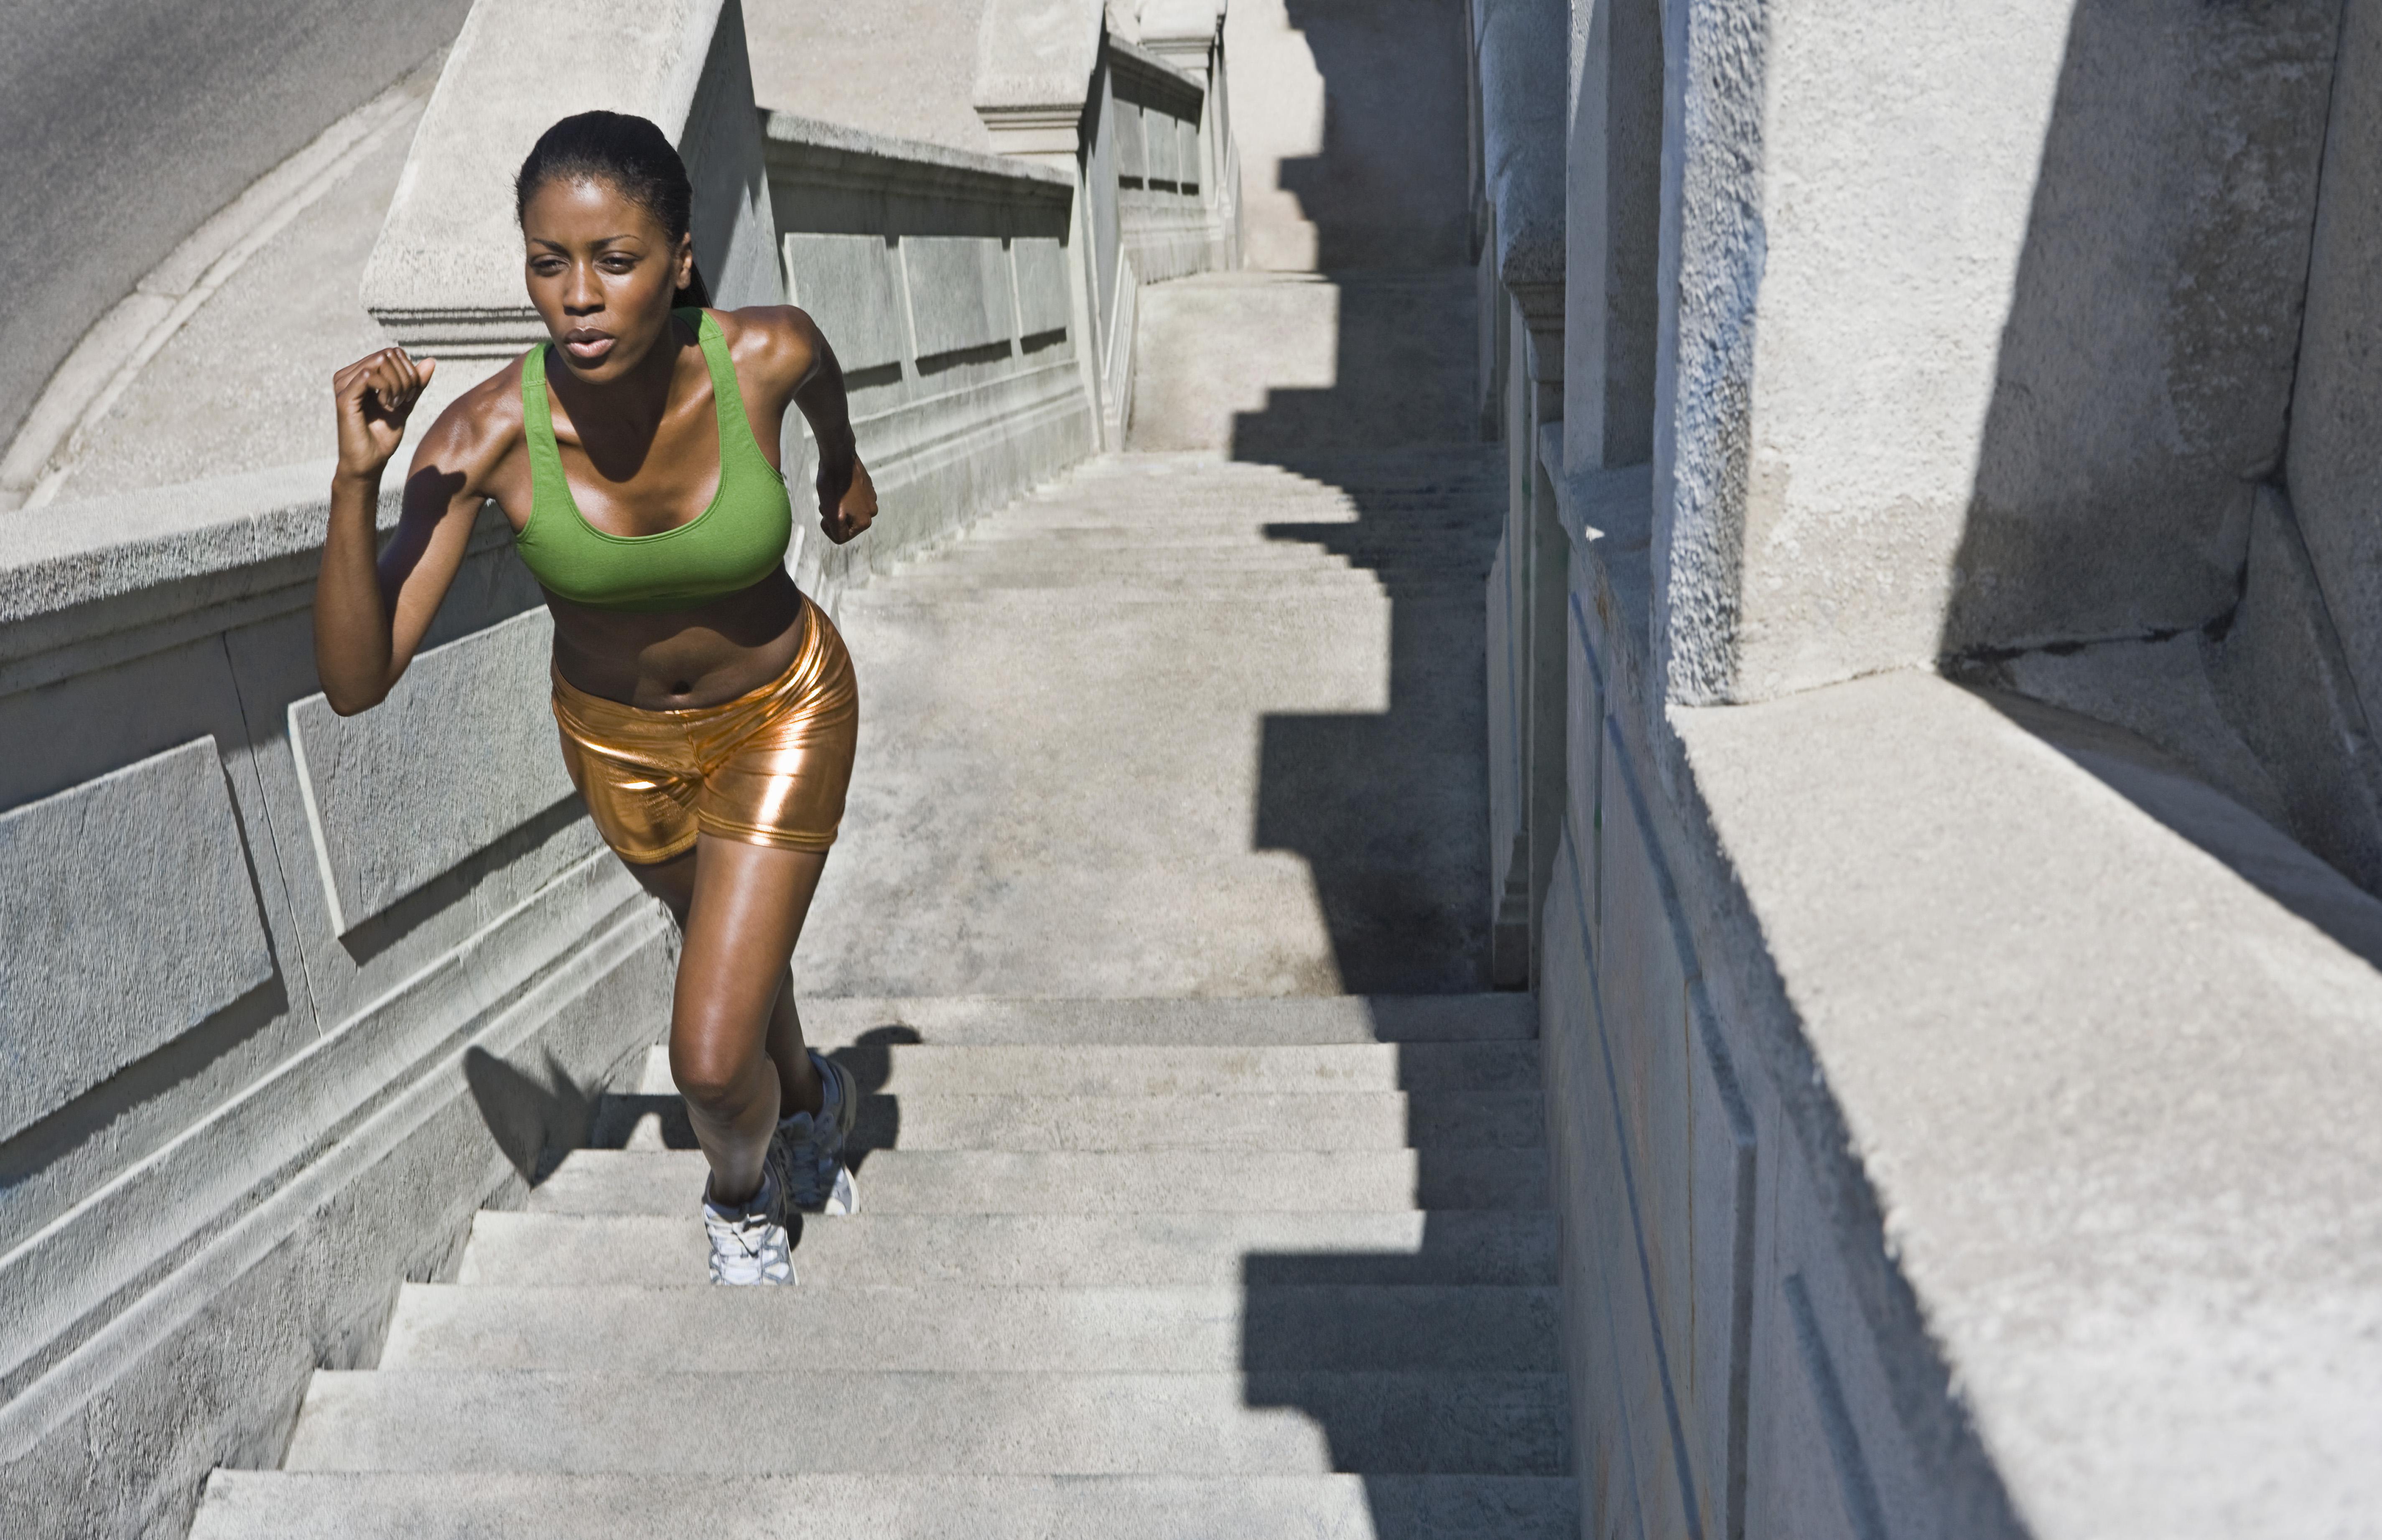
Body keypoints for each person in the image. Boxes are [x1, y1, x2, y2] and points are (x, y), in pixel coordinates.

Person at [313, 110, 877, 1286]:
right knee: (738, 961)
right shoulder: (483, 438)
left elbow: (820, 377)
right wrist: (358, 481)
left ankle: (741, 1194)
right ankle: (818, 1095)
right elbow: (357, 684)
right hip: (619, 752)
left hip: (784, 708)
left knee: (712, 1059)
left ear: (677, 260)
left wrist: (841, 465)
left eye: (614, 263)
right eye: (548, 264)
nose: (577, 297)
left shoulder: (759, 354)